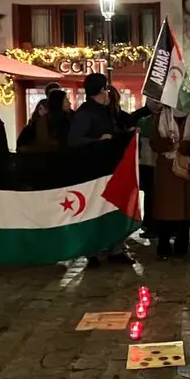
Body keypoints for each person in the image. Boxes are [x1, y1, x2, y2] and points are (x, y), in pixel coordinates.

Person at [68, 73, 132, 265]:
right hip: (93, 171)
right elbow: (73, 140)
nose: (108, 93)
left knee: (114, 209)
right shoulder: (85, 113)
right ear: (98, 91)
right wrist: (97, 140)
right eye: (105, 89)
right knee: (95, 211)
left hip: (111, 169)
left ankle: (116, 249)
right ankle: (93, 252)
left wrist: (126, 134)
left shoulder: (107, 111)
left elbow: (113, 133)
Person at [150, 103, 190, 259]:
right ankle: (163, 245)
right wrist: (169, 143)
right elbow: (154, 143)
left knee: (185, 209)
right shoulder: (162, 116)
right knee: (165, 209)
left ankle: (182, 246)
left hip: (186, 167)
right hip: (166, 168)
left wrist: (184, 146)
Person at [136, 99, 161, 238]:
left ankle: (151, 224)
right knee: (151, 195)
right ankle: (151, 224)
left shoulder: (143, 120)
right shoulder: (144, 120)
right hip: (149, 162)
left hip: (149, 162)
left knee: (152, 195)